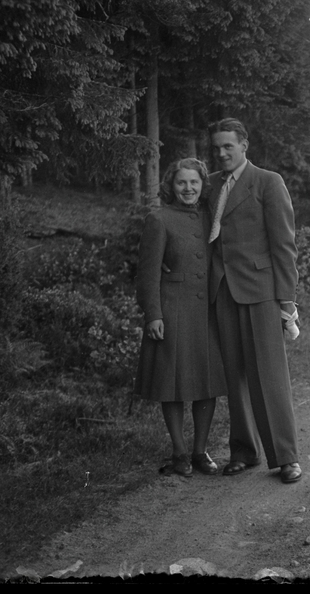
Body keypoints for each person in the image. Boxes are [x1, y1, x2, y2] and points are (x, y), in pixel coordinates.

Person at [206, 118, 303, 484]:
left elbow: (284, 245)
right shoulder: (210, 185)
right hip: (223, 293)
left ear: (244, 145)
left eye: (228, 146)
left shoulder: (267, 182)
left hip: (261, 292)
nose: (222, 153)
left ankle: (286, 457)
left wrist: (287, 300)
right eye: (217, 147)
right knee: (235, 377)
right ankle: (244, 452)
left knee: (270, 377)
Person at [135, 158, 227, 477]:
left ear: (203, 186)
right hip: (173, 309)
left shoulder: (212, 218)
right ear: (171, 186)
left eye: (194, 183)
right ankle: (179, 453)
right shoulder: (159, 219)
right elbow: (148, 273)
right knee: (171, 383)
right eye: (181, 183)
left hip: (208, 312)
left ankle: (200, 451)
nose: (188, 188)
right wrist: (153, 315)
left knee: (206, 382)